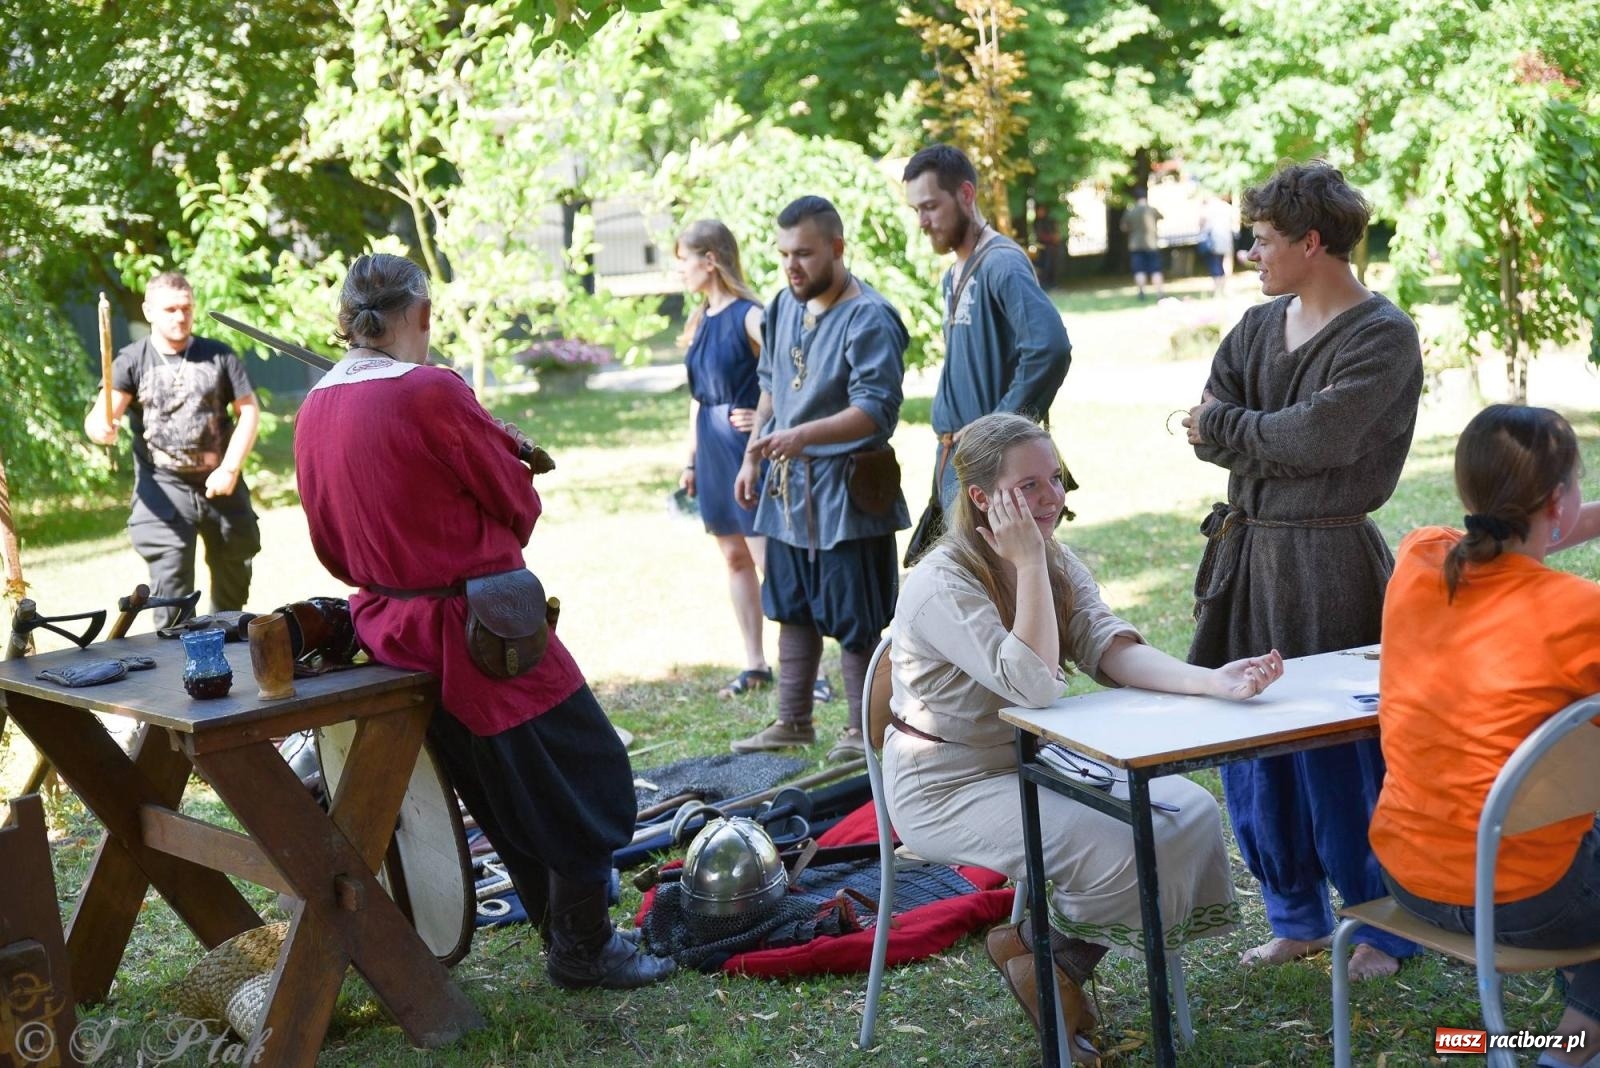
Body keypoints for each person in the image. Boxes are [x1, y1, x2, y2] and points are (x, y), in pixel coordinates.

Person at [293, 253, 673, 990]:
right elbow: (516, 509)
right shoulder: (432, 390)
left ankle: (564, 930)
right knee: (587, 771)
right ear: (424, 313)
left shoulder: (317, 404)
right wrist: (509, 457)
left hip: (386, 627)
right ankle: (585, 947)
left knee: (510, 785)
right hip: (474, 635)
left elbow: (332, 545)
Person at [884, 412, 1284, 1060]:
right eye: (1031, 486)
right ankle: (1048, 957)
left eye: (1056, 480)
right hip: (946, 781)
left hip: (1031, 760)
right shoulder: (943, 582)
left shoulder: (1051, 555)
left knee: (1188, 811)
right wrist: (1029, 565)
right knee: (1128, 842)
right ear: (983, 498)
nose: (1052, 499)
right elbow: (1035, 685)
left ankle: (1046, 955)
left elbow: (1105, 642)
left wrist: (1210, 681)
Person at [1181, 160, 1424, 981]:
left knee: (1340, 750)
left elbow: (1319, 439)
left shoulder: (1381, 336)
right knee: (1251, 742)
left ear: (1312, 242)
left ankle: (1382, 926)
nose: (1251, 255)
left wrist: (1237, 427)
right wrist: (1250, 430)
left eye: (1263, 241)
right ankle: (1296, 916)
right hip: (1248, 556)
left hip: (1329, 563)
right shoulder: (1255, 329)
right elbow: (1206, 426)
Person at [1371, 404, 1600, 1067]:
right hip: (1529, 898)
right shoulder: (1579, 612)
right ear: (1559, 501)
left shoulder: (1417, 560)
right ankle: (1570, 1050)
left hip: (1408, 877)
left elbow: (1510, 536)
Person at [729, 196, 910, 762]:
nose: (792, 266)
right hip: (789, 491)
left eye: (804, 253)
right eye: (784, 254)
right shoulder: (782, 305)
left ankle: (862, 733)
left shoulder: (869, 317)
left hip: (849, 491)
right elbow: (770, 381)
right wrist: (754, 455)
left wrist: (802, 436)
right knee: (792, 606)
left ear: (836, 248)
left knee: (857, 618)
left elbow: (876, 410)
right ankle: (793, 721)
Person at [84, 271, 261, 624]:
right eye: (170, 309)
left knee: (235, 573)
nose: (180, 317)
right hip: (163, 487)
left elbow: (250, 411)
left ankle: (226, 645)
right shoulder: (132, 360)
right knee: (170, 593)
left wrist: (230, 468)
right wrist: (100, 428)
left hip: (220, 482)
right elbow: (100, 417)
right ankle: (174, 664)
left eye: (187, 309)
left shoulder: (218, 356)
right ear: (149, 311)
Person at [903, 144, 1072, 513]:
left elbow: (1050, 348)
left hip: (994, 472)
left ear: (966, 194)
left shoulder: (1002, 264)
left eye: (930, 206)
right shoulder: (953, 275)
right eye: (917, 210)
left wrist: (998, 426)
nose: (922, 221)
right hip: (958, 463)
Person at [673, 220, 775, 698]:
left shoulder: (751, 315)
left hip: (743, 449)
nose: (680, 271)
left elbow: (784, 370)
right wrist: (690, 459)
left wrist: (763, 420)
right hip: (711, 450)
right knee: (734, 557)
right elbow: (697, 398)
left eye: (684, 260)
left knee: (768, 560)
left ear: (709, 260)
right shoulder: (700, 320)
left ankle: (809, 672)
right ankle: (755, 663)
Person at [1120, 188, 1164, 300]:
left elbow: (1124, 227)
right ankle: (1159, 293)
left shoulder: (1130, 212)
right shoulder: (1152, 210)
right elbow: (1161, 217)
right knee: (1156, 269)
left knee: (1139, 270)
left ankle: (1141, 292)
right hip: (1152, 244)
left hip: (1136, 245)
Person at [1198, 192, 1236, 298]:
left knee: (1215, 264)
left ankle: (1217, 289)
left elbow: (1201, 223)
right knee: (1225, 262)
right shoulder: (1227, 207)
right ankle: (1225, 287)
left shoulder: (1207, 208)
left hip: (1213, 239)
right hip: (1226, 238)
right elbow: (1234, 222)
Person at [1031, 202, 1064, 290]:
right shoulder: (1037, 222)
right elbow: (1040, 235)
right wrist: (1052, 238)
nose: (1041, 212)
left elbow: (1055, 232)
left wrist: (1055, 238)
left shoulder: (1049, 221)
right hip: (1043, 249)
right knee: (1045, 266)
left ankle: (1053, 283)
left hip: (1053, 248)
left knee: (1054, 266)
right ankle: (1045, 284)